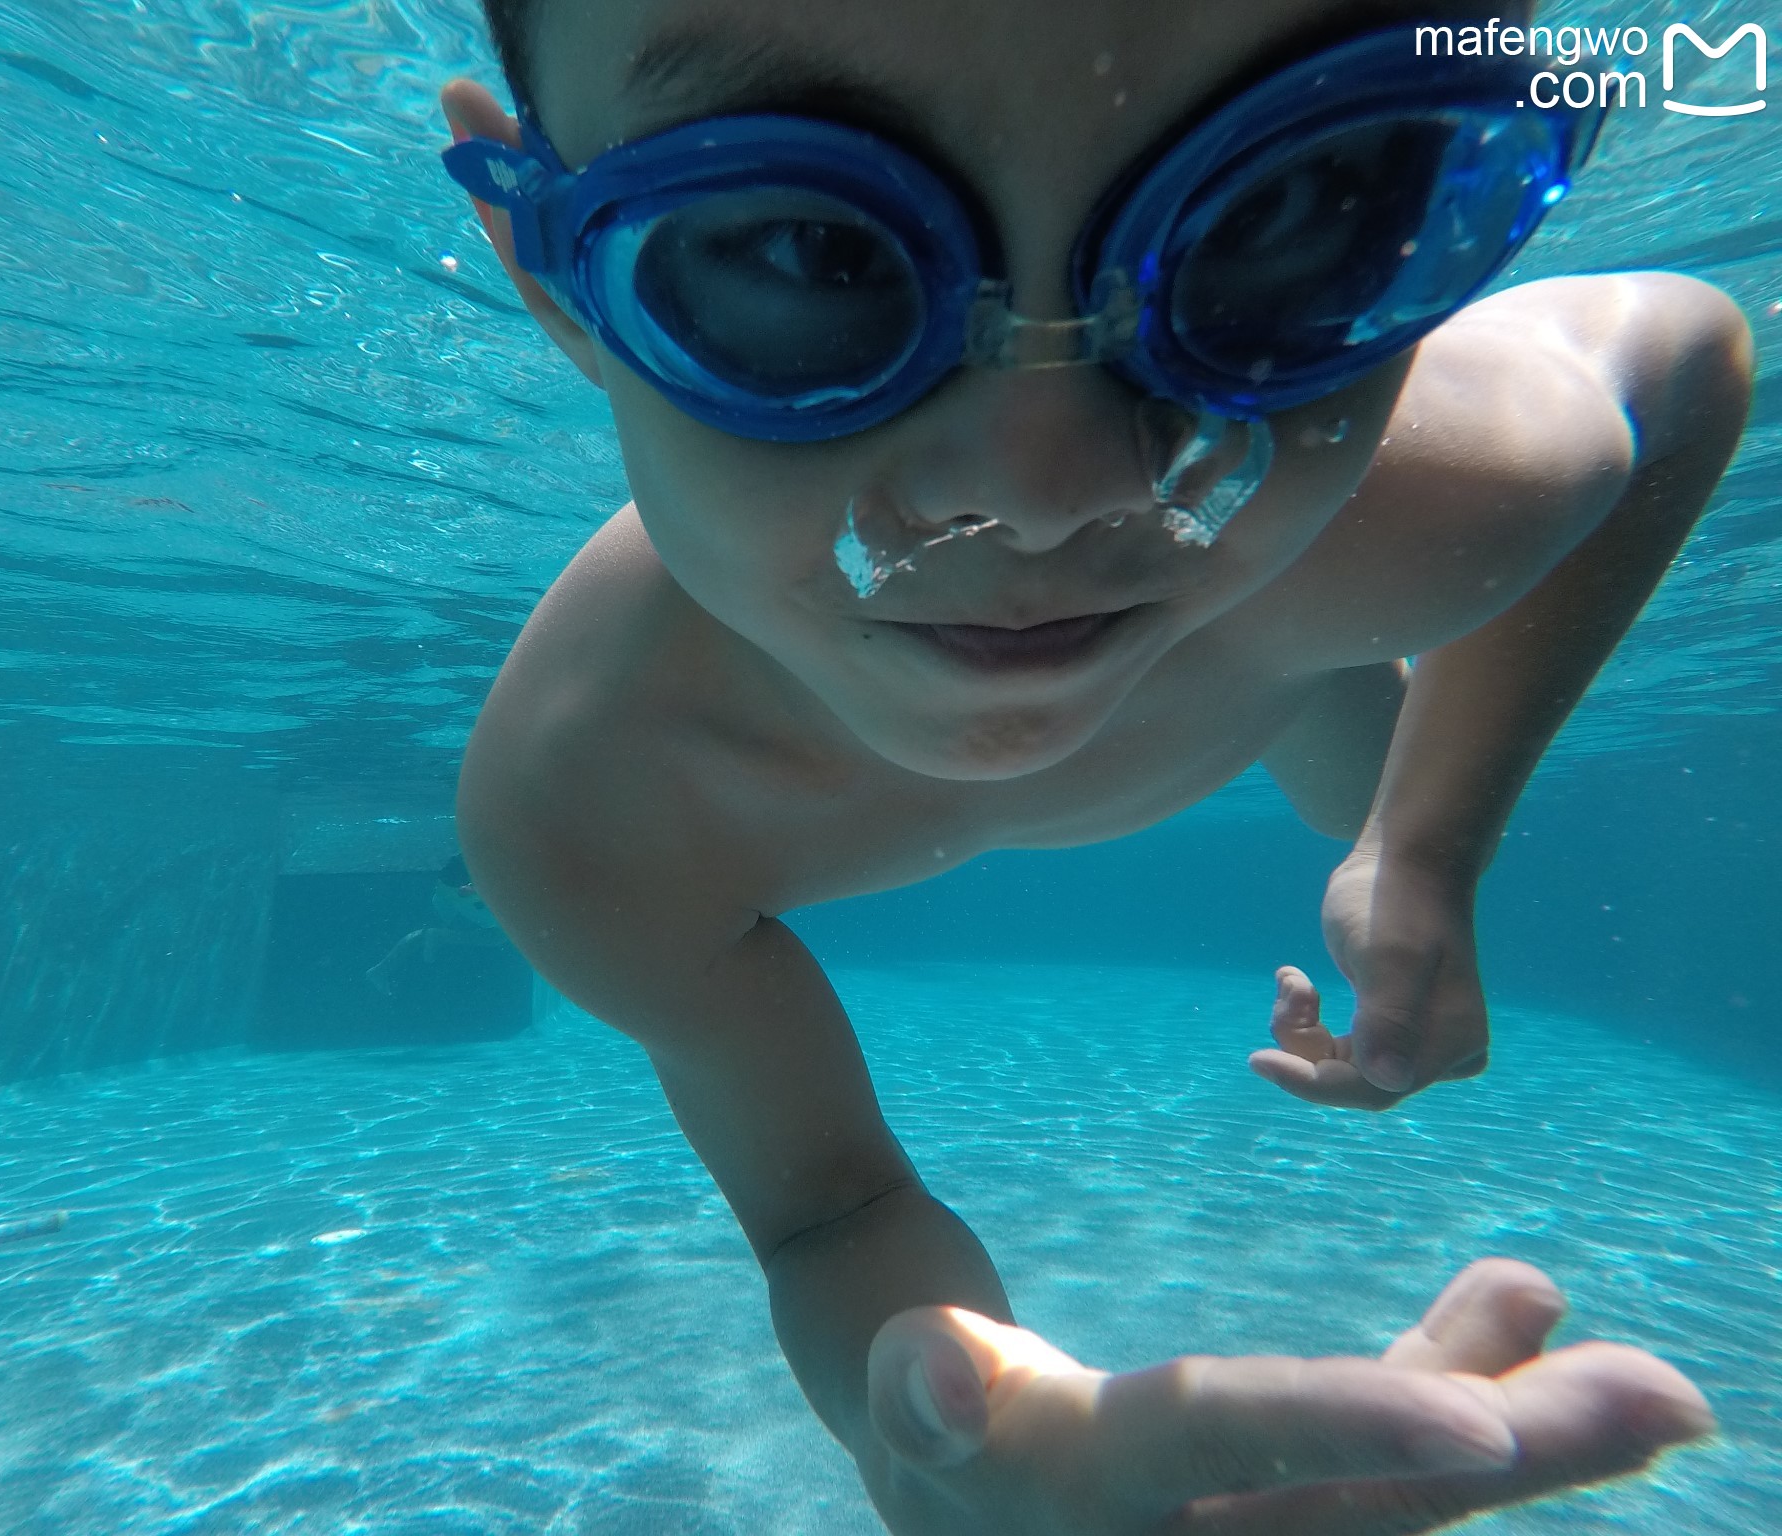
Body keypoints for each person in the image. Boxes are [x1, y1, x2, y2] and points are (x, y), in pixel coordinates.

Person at [435, 2, 1751, 1530]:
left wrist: (1428, 838)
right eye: (801, 249)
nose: (1051, 493)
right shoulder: (592, 808)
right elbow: (829, 1209)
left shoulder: (1440, 501)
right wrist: (959, 1447)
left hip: (1292, 648)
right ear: (542, 264)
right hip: (1259, 620)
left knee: (1352, 778)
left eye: (1298, 209)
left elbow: (1694, 367)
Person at [365, 855, 508, 995]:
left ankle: (380, 970)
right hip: (466, 893)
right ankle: (441, 936)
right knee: (498, 935)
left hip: (445, 890)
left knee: (426, 932)